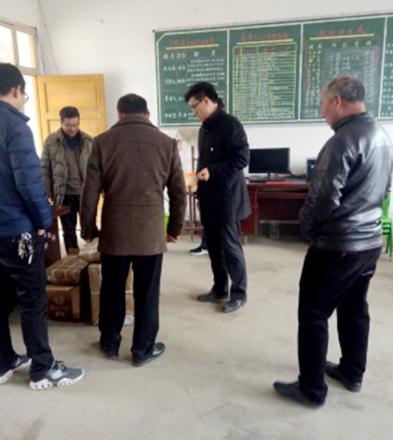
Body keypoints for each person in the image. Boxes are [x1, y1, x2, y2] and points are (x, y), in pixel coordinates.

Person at [0, 63, 84, 390]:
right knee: (32, 299)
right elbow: (29, 182)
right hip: (17, 229)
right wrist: (43, 221)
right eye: (24, 95)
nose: (24, 100)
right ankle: (42, 368)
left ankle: (2, 362)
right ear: (15, 89)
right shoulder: (14, 125)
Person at [273, 76, 393, 407]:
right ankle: (352, 372)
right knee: (355, 309)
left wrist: (307, 228)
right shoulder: (382, 135)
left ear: (337, 101)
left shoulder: (342, 141)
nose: (323, 112)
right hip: (369, 242)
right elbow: (385, 190)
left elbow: (323, 197)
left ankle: (311, 390)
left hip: (338, 245)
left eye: (323, 105)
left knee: (313, 314)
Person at [80, 93, 186, 366]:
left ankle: (109, 343)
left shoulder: (102, 142)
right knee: (147, 293)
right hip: (150, 233)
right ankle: (142, 350)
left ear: (120, 114)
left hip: (115, 232)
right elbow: (178, 192)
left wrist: (88, 228)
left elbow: (89, 192)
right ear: (147, 114)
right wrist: (174, 228)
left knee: (111, 289)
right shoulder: (167, 144)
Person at [184, 82, 250, 313]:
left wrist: (213, 171)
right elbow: (204, 162)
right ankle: (220, 288)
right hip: (209, 197)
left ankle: (239, 293)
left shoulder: (231, 125)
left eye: (194, 106)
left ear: (206, 101)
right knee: (213, 247)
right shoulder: (204, 128)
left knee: (231, 248)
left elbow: (242, 158)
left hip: (227, 199)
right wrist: (200, 189)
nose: (194, 112)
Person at [41, 106, 93, 255]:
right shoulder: (51, 141)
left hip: (85, 193)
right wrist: (47, 193)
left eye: (76, 125)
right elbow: (44, 169)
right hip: (64, 194)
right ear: (61, 122)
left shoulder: (88, 141)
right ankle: (72, 259)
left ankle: (91, 259)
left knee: (89, 228)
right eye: (68, 125)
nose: (72, 129)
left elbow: (96, 169)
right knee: (69, 230)